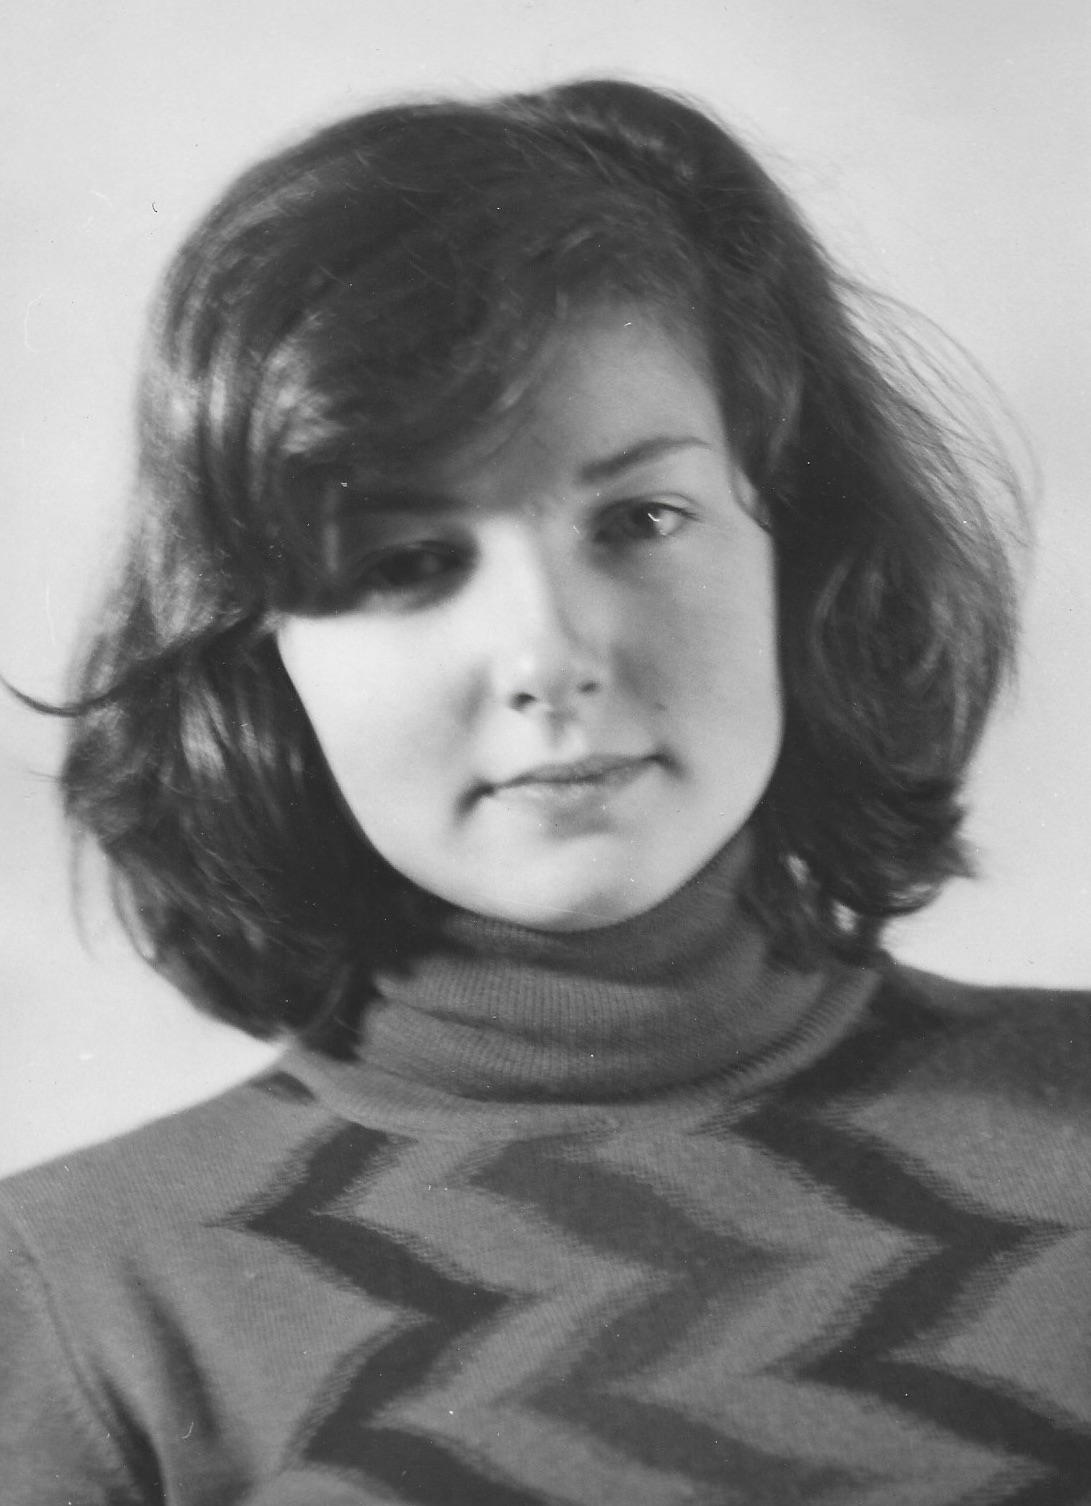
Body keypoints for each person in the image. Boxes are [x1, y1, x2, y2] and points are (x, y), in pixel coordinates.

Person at [1, 77, 1088, 1506]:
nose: (552, 655)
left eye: (642, 518)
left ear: (797, 555)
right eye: (407, 563)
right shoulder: (84, 1295)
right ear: (260, 660)